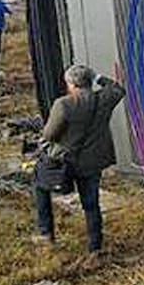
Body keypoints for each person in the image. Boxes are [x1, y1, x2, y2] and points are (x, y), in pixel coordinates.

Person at [33, 65, 126, 254]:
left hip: (66, 162)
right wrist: (97, 76)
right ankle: (95, 246)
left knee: (40, 187)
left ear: (72, 84)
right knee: (91, 204)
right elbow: (118, 88)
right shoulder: (104, 98)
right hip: (93, 162)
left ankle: (46, 233)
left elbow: (49, 134)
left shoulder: (63, 104)